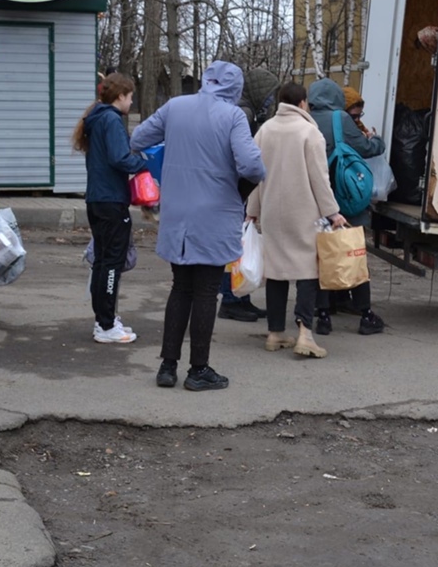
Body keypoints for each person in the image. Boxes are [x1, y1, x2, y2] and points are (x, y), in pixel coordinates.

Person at [131, 61, 265, 391]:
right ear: (236, 87)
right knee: (206, 291)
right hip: (215, 214)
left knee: (181, 287)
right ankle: (198, 369)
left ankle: (167, 367)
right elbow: (251, 165)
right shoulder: (233, 116)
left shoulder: (176, 106)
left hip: (177, 213)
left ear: (205, 79)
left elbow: (138, 137)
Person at [247, 81, 347, 358]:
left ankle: (275, 332)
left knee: (276, 270)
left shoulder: (264, 131)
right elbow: (319, 177)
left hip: (271, 212)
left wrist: (252, 208)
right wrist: (332, 212)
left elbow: (256, 175)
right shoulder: (309, 132)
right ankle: (305, 333)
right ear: (303, 103)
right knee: (307, 272)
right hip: (304, 212)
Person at [307, 78, 386, 336]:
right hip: (344, 198)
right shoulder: (340, 118)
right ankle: (365, 314)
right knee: (353, 254)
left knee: (322, 256)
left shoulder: (305, 118)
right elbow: (364, 147)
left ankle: (323, 315)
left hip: (314, 199)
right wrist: (377, 140)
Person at [74, 73, 146, 344]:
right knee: (112, 263)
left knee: (103, 262)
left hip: (97, 199)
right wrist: (145, 164)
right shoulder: (111, 120)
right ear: (120, 97)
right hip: (112, 200)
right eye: (130, 97)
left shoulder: (96, 118)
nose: (131, 102)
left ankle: (103, 321)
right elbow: (120, 158)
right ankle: (106, 325)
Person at [218, 67, 280, 322]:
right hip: (234, 190)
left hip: (230, 189)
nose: (270, 100)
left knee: (235, 245)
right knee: (233, 246)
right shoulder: (244, 113)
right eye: (268, 95)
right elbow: (243, 157)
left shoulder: (243, 110)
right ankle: (233, 299)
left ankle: (239, 298)